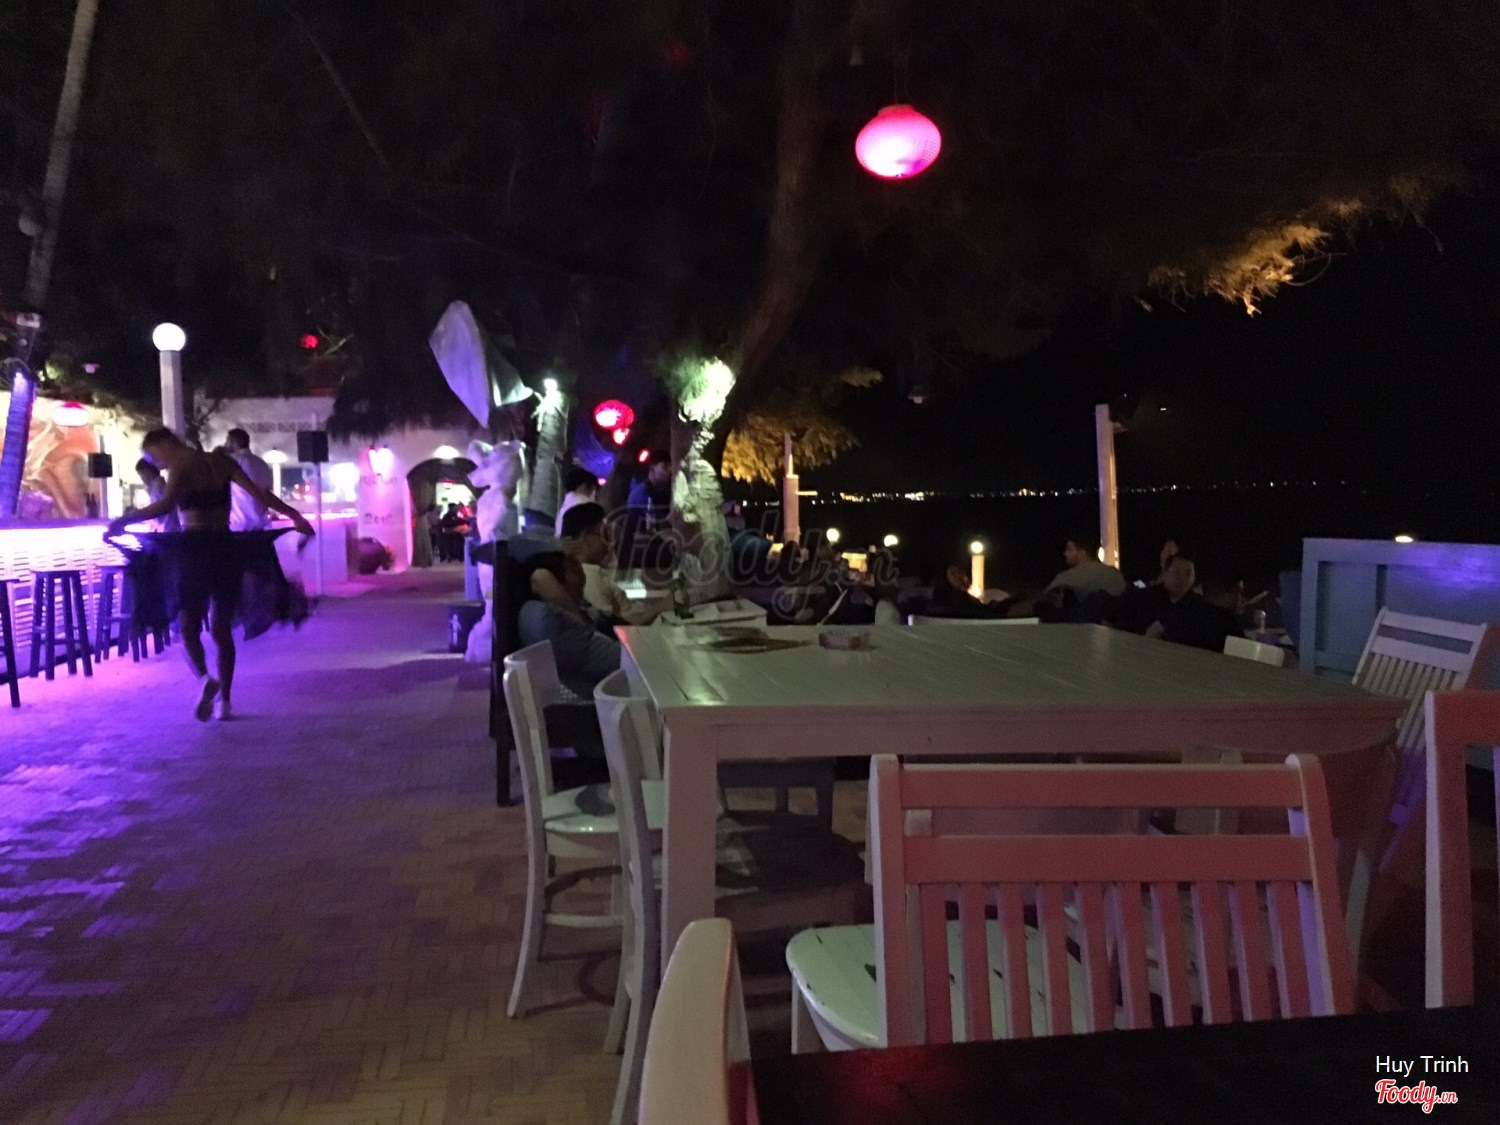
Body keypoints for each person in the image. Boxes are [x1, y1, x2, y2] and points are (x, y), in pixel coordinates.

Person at [106, 428, 314, 721]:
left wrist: (126, 519)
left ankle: (205, 679)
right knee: (221, 627)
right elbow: (261, 495)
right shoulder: (223, 462)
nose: (157, 464)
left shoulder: (181, 465)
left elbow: (166, 505)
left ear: (164, 443)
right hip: (226, 547)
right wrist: (295, 515)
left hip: (195, 548)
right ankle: (225, 702)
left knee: (188, 625)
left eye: (154, 456)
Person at [516, 551, 621, 698]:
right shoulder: (565, 628)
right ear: (553, 580)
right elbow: (624, 661)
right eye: (573, 570)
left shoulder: (580, 609)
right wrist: (571, 608)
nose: (581, 573)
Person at [558, 502, 663, 625]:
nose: (609, 542)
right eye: (605, 534)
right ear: (587, 537)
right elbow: (616, 628)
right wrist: (663, 606)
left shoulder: (596, 567)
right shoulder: (588, 576)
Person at [1145, 554, 1240, 652]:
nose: (1182, 578)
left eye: (1188, 573)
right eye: (1176, 572)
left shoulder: (1203, 613)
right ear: (1165, 572)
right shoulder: (1146, 599)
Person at [1045, 533, 1128, 600]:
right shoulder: (1115, 574)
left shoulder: (1067, 577)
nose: (1065, 553)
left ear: (1082, 552)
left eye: (1069, 549)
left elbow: (1046, 600)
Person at [224, 428, 274, 532]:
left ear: (233, 442)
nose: (225, 444)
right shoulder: (261, 463)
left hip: (240, 525)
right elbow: (267, 491)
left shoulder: (232, 462)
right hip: (260, 524)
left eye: (227, 441)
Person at [554, 466, 600, 537]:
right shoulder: (586, 504)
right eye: (594, 490)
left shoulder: (565, 505)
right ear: (584, 487)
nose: (595, 495)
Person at [136, 458, 180, 532]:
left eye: (141, 475)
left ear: (147, 472)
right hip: (169, 529)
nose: (142, 479)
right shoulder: (159, 486)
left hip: (169, 531)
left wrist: (137, 515)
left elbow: (158, 518)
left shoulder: (157, 488)